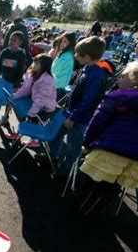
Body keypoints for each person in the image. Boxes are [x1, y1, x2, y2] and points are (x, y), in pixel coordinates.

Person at [49, 36, 114, 177]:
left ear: (88, 57)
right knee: (56, 136)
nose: (75, 56)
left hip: (79, 119)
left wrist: (73, 118)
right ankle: (53, 158)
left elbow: (88, 101)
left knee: (73, 146)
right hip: (71, 112)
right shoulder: (88, 67)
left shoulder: (96, 75)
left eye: (78, 54)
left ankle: (65, 171)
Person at [78, 61, 138, 203]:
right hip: (136, 158)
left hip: (110, 150)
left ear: (134, 79)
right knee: (114, 187)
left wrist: (87, 144)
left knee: (95, 180)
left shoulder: (117, 97)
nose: (118, 79)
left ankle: (81, 206)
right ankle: (100, 208)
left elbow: (97, 123)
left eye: (123, 76)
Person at [9, 54, 57, 146]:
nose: (34, 64)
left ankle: (34, 140)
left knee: (32, 119)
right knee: (19, 107)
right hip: (35, 101)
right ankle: (22, 131)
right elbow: (25, 89)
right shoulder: (33, 74)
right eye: (34, 61)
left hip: (45, 107)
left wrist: (31, 113)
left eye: (37, 63)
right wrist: (14, 96)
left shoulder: (48, 80)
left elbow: (41, 99)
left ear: (44, 66)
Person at [0, 31, 26, 125]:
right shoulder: (5, 52)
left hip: (13, 83)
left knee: (9, 100)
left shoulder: (21, 55)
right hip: (4, 80)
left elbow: (20, 71)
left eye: (14, 40)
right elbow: (1, 66)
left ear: (20, 42)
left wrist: (17, 84)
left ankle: (6, 116)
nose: (11, 41)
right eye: (10, 39)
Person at [52, 32, 76, 99]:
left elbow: (55, 71)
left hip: (56, 86)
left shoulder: (66, 56)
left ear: (70, 43)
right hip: (59, 85)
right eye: (61, 41)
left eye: (65, 41)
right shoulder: (66, 54)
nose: (62, 43)